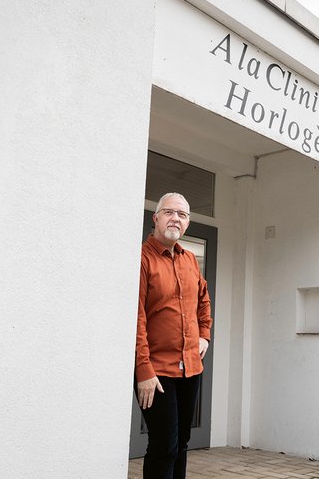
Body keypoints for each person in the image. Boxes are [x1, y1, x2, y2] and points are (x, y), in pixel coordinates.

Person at [135, 192, 212, 479]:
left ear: (187, 223)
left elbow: (203, 299)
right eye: (169, 212)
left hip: (191, 368)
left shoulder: (190, 259)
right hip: (157, 371)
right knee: (164, 445)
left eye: (182, 215)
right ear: (155, 218)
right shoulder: (142, 259)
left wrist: (204, 334)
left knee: (181, 444)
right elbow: (137, 317)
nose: (175, 219)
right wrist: (143, 370)